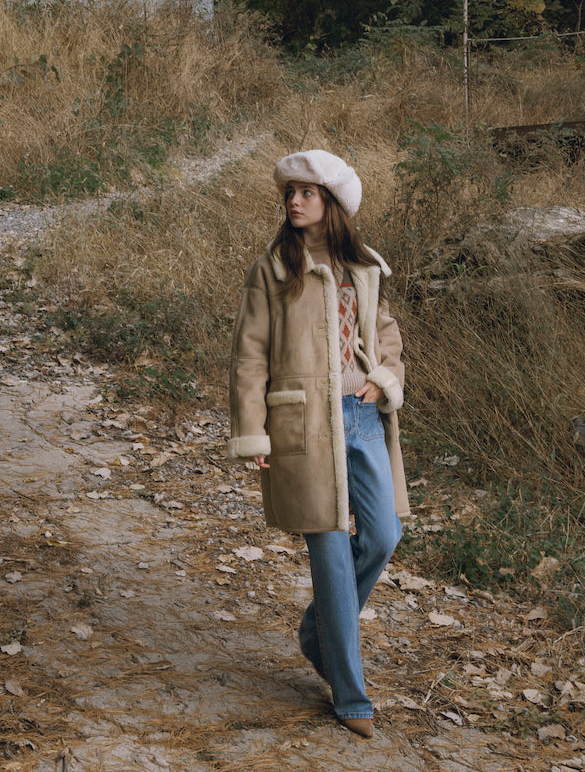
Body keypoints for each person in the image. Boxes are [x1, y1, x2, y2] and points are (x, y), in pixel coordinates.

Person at [227, 149, 409, 739]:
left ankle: (317, 634)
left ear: (331, 201)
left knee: (383, 536)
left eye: (307, 192)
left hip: (360, 418)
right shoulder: (275, 268)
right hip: (303, 424)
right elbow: (250, 355)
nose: (294, 201)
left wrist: (382, 379)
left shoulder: (366, 265)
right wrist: (253, 428)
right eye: (290, 193)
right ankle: (351, 694)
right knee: (330, 557)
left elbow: (385, 336)